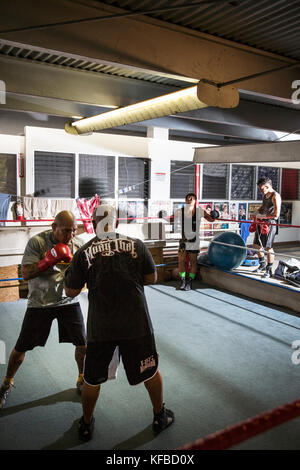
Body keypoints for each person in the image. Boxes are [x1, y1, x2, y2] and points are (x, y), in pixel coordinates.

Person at [64, 204, 174, 441]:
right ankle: (159, 416)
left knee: (92, 378)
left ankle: (85, 425)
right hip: (136, 324)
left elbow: (71, 291)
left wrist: (71, 274)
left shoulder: (84, 251)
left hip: (101, 327)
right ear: (116, 223)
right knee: (150, 370)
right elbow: (151, 277)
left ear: (93, 224)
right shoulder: (136, 245)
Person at [0, 211, 87, 409]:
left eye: (73, 231)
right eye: (66, 231)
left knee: (82, 344)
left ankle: (82, 378)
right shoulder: (37, 243)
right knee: (21, 347)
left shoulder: (78, 243)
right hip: (40, 303)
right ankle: (7, 382)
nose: (70, 235)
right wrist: (49, 260)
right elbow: (25, 274)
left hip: (67, 302)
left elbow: (84, 274)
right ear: (53, 226)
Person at [176, 193, 215, 291]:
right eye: (188, 199)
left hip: (194, 240)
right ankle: (183, 280)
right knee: (181, 261)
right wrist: (163, 216)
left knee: (193, 262)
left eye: (191, 199)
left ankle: (189, 282)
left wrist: (215, 215)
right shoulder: (181, 211)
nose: (189, 200)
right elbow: (171, 217)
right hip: (184, 240)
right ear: (185, 201)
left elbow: (210, 220)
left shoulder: (199, 211)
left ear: (195, 201)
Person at [252, 177, 281, 278]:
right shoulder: (265, 195)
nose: (260, 191)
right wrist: (256, 212)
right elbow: (264, 206)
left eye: (262, 189)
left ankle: (269, 270)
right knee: (256, 245)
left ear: (267, 186)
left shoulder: (275, 196)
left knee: (268, 247)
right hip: (261, 222)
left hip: (270, 224)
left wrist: (263, 216)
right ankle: (262, 264)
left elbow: (276, 214)